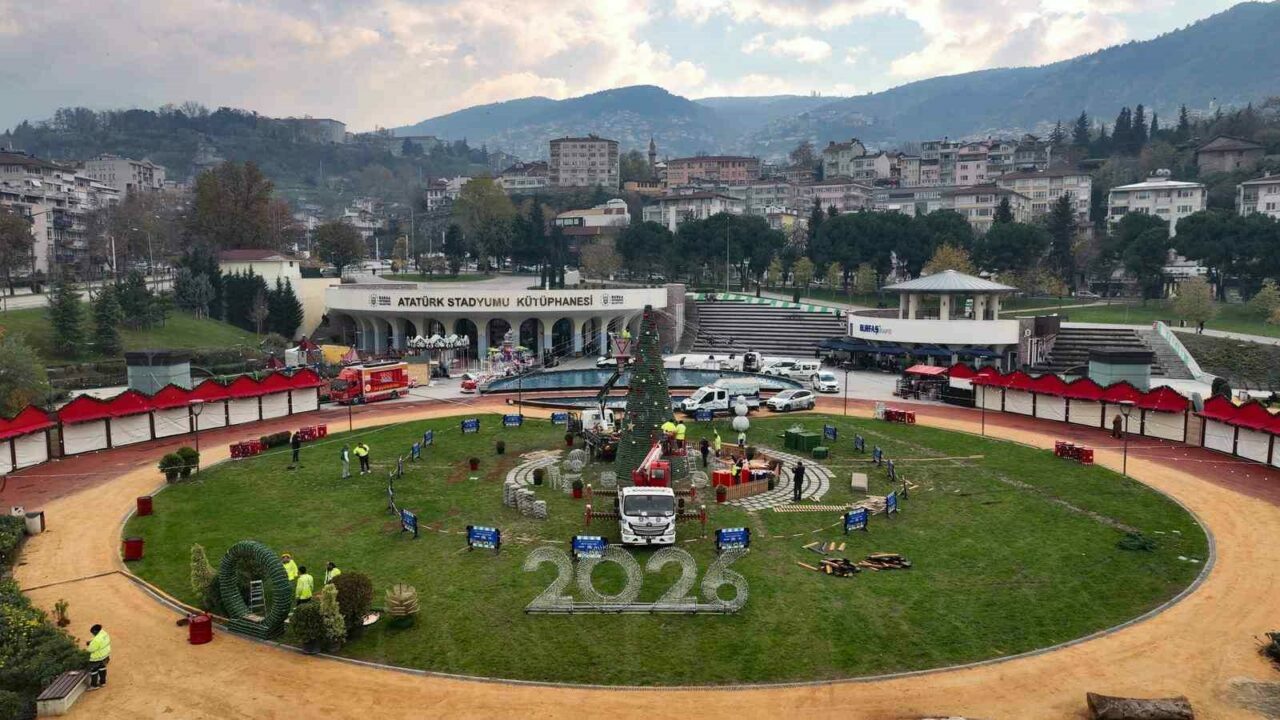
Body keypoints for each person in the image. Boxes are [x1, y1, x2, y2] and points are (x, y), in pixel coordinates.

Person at [86, 624, 111, 690]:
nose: (93, 634)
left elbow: (90, 649)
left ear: (95, 631)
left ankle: (94, 685)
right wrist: (92, 642)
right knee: (102, 668)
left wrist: (90, 644)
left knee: (94, 671)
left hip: (97, 658)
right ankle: (103, 682)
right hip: (105, 655)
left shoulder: (96, 640)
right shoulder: (104, 634)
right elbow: (100, 641)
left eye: (93, 633)